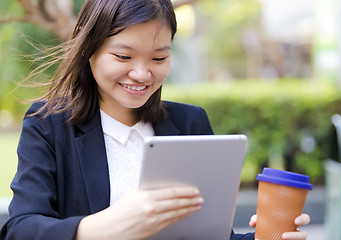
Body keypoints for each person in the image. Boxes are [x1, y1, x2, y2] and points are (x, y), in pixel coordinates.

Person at [0, 0, 310, 239]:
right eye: (123, 57)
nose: (142, 73)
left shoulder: (191, 123)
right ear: (89, 50)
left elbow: (214, 235)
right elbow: (21, 229)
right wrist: (108, 226)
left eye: (159, 58)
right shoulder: (49, 125)